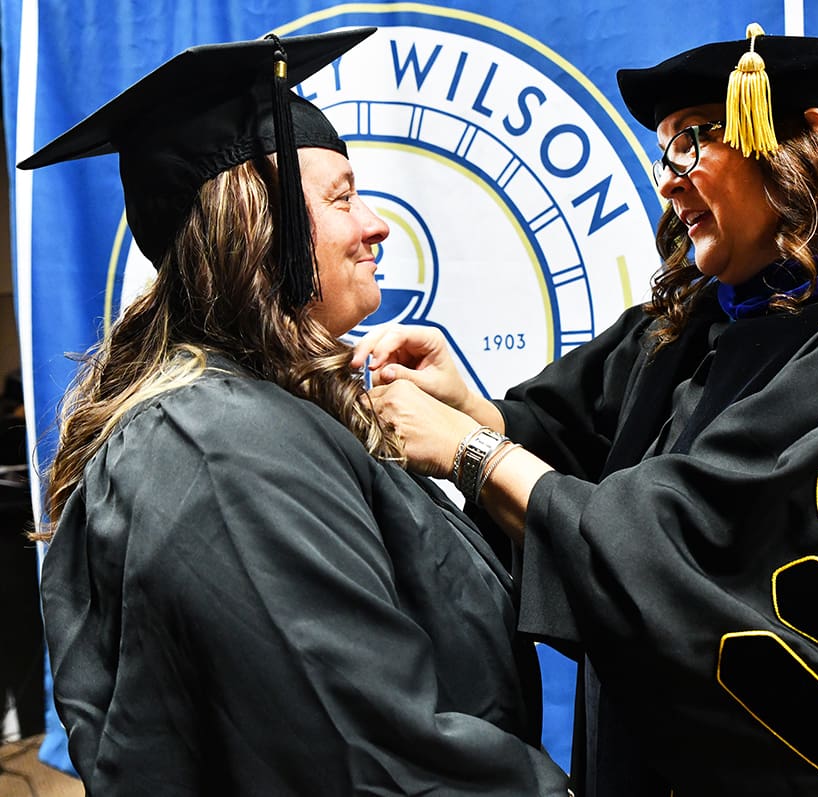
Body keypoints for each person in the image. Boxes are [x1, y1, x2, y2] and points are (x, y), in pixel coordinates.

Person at [353, 24, 818, 797]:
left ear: (810, 137)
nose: (668, 179)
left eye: (693, 140)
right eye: (664, 152)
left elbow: (700, 552)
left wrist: (473, 452)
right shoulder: (699, 324)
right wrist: (474, 411)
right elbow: (573, 444)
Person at [18, 28, 570, 796]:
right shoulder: (218, 448)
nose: (375, 224)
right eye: (342, 196)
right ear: (255, 220)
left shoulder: (268, 412)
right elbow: (363, 755)